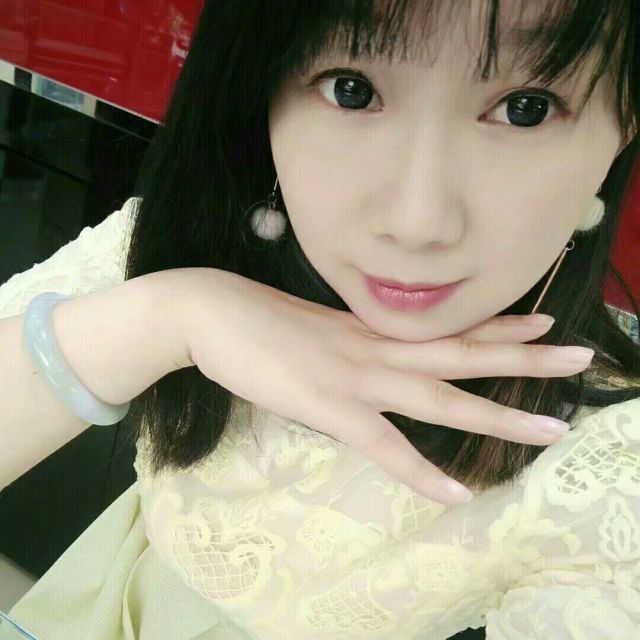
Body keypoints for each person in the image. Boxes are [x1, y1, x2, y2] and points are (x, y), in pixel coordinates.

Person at [1, 0, 639, 638]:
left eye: (526, 108)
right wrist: (170, 316)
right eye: (351, 90)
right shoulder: (182, 257)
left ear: (626, 122)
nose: (416, 222)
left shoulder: (607, 470)